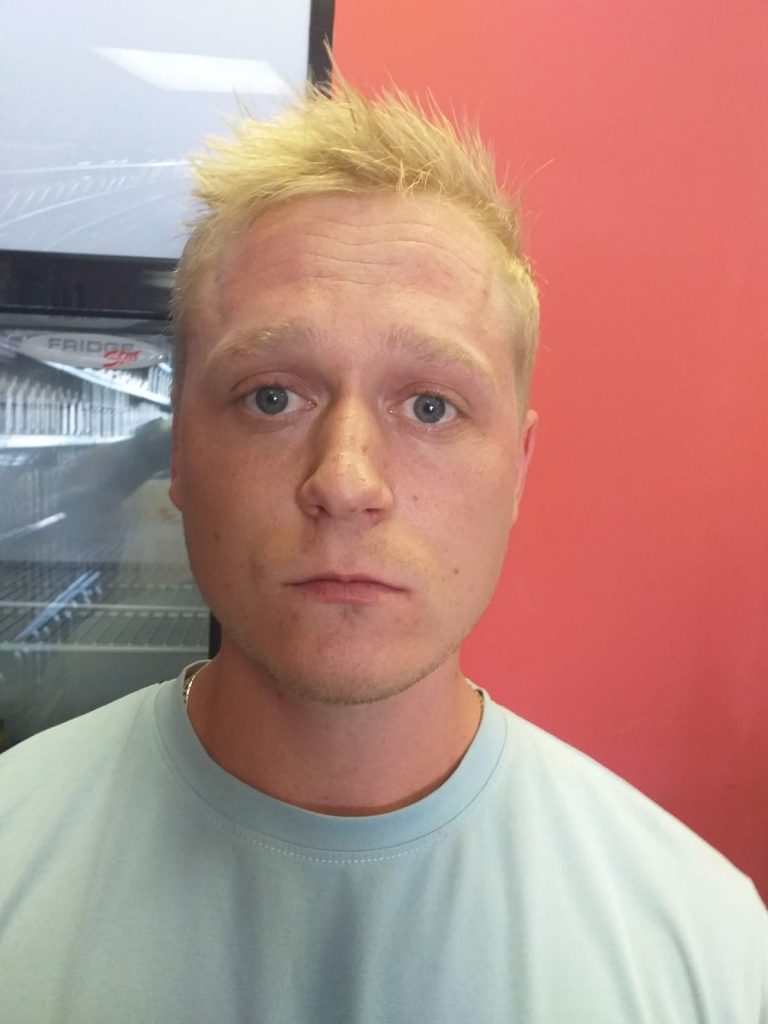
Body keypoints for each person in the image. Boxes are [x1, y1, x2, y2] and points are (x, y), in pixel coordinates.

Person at [1, 73, 766, 1024]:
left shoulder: (706, 949)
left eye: (432, 406)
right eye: (272, 397)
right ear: (181, 455)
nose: (346, 481)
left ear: (518, 471)